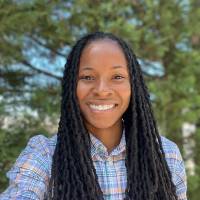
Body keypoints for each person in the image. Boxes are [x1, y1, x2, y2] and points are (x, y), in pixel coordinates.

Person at [0, 32, 187, 200]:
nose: (102, 90)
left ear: (134, 87)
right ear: (72, 86)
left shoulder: (166, 155)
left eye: (117, 77)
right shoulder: (44, 155)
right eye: (88, 77)